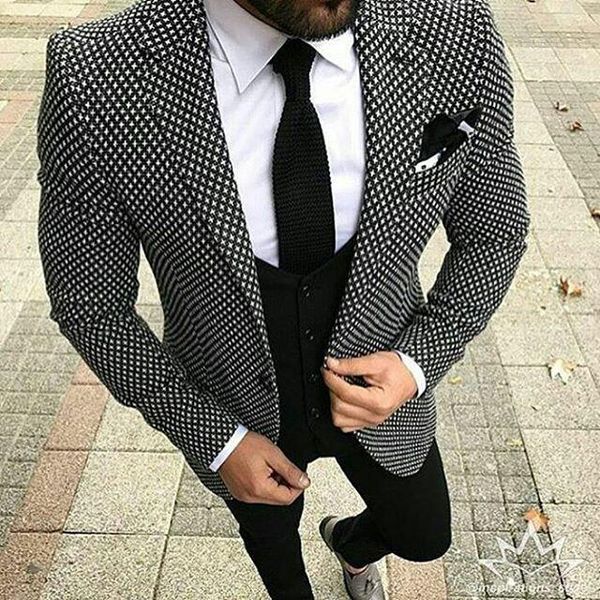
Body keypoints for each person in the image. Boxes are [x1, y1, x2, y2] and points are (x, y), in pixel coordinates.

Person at [35, 0, 530, 597]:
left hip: (384, 392)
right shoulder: (96, 74)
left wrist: (417, 361)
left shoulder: (453, 29)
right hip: (234, 409)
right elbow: (90, 305)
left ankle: (350, 544)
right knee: (277, 558)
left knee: (424, 536)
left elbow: (496, 231)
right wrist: (214, 439)